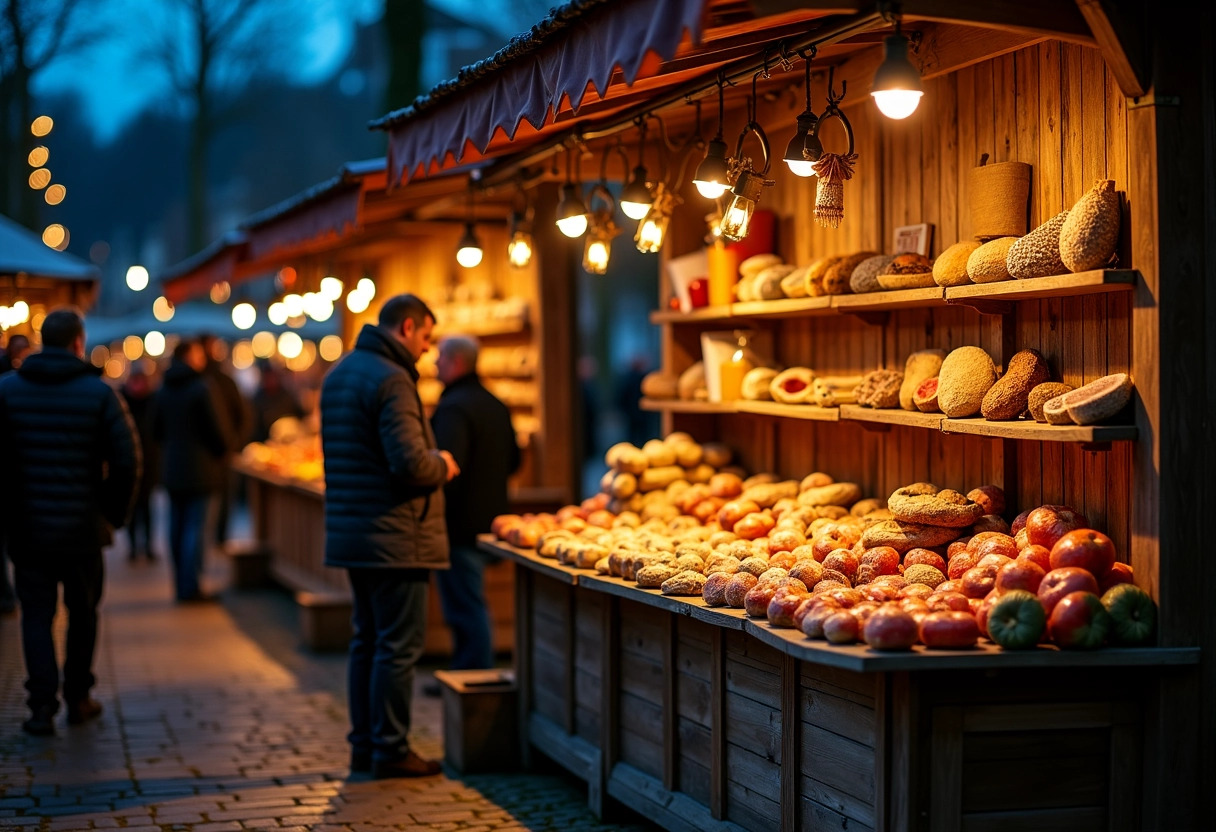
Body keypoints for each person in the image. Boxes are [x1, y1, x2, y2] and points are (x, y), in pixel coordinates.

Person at [320, 293, 459, 780]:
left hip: (355, 532)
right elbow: (409, 464)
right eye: (425, 337)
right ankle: (391, 748)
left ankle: (364, 744)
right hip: (395, 535)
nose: (427, 348)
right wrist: (442, 463)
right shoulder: (393, 380)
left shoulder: (340, 374)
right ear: (405, 327)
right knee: (398, 646)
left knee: (367, 640)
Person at [0, 308, 139, 735]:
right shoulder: (100, 394)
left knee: (36, 616)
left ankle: (41, 707)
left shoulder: (6, 391)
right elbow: (128, 462)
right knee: (83, 613)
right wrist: (111, 515)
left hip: (28, 530)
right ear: (79, 343)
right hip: (82, 529)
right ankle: (78, 697)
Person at [431, 334, 520, 672]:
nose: (435, 363)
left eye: (440, 357)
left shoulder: (454, 407)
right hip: (491, 517)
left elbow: (447, 467)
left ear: (456, 362)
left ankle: (472, 680)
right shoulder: (494, 403)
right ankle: (467, 674)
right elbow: (513, 460)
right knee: (469, 603)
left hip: (459, 523)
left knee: (465, 607)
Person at [153, 338, 231, 602]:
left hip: (173, 468)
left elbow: (155, 430)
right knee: (196, 529)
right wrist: (223, 451)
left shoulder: (163, 388)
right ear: (188, 357)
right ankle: (191, 586)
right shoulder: (201, 388)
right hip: (202, 469)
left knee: (176, 527)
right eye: (198, 354)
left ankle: (181, 583)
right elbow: (216, 430)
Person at [199, 333, 250, 547]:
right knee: (209, 507)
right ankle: (215, 541)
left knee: (216, 505)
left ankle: (216, 541)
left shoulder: (222, 381)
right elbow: (245, 416)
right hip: (207, 457)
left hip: (213, 455)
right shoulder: (205, 382)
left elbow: (244, 416)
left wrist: (234, 443)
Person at [121, 365, 159, 561]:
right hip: (129, 462)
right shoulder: (121, 402)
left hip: (149, 463)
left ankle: (148, 546)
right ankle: (134, 547)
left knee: (147, 508)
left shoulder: (152, 401)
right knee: (133, 509)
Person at [251, 360, 305, 443]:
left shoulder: (286, 395)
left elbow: (301, 414)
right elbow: (256, 428)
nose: (271, 381)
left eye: (273, 377)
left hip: (292, 442)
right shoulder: (257, 399)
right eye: (268, 378)